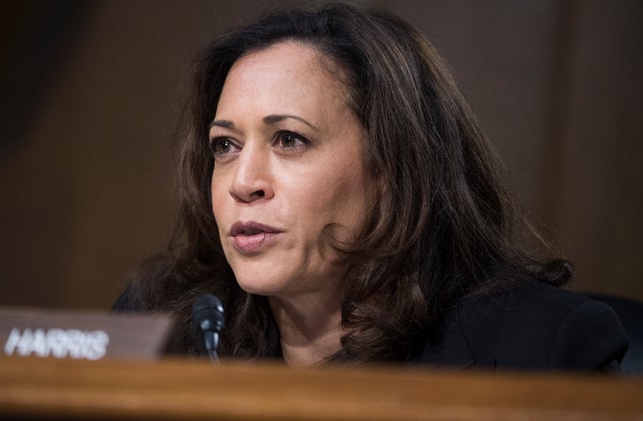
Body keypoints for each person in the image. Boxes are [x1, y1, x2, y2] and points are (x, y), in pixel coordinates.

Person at [113, 3, 628, 371]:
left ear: (393, 167)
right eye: (225, 146)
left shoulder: (541, 348)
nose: (243, 183)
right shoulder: (163, 322)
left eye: (289, 139)